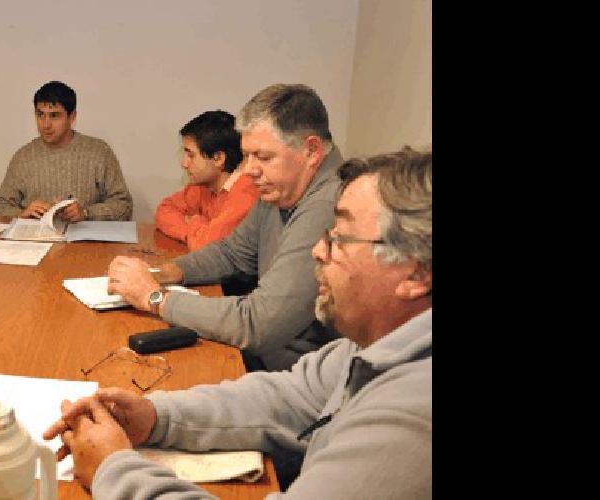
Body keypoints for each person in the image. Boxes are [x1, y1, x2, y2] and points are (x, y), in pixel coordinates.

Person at [46, 147, 432, 498]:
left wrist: (113, 469)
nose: (318, 249)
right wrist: (155, 417)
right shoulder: (378, 341)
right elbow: (290, 397)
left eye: (341, 238)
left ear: (415, 274)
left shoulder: (414, 414)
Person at [108, 84, 344, 371]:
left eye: (264, 157)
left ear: (311, 151)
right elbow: (232, 253)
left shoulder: (330, 204)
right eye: (247, 156)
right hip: (266, 358)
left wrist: (154, 297)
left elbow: (260, 323)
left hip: (294, 376)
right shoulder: (280, 185)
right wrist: (165, 272)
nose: (249, 170)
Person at [0, 81, 132, 222]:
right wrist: (22, 213)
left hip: (85, 241)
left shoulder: (99, 152)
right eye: (40, 114)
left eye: (54, 116)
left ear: (72, 117)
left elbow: (124, 205)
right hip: (37, 240)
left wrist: (86, 213)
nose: (46, 124)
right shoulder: (23, 157)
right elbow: (0, 206)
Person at [155, 110, 259, 251]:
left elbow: (206, 246)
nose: (184, 163)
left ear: (218, 158)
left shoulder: (246, 193)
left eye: (191, 155)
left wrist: (194, 220)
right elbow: (164, 210)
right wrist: (194, 232)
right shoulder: (202, 186)